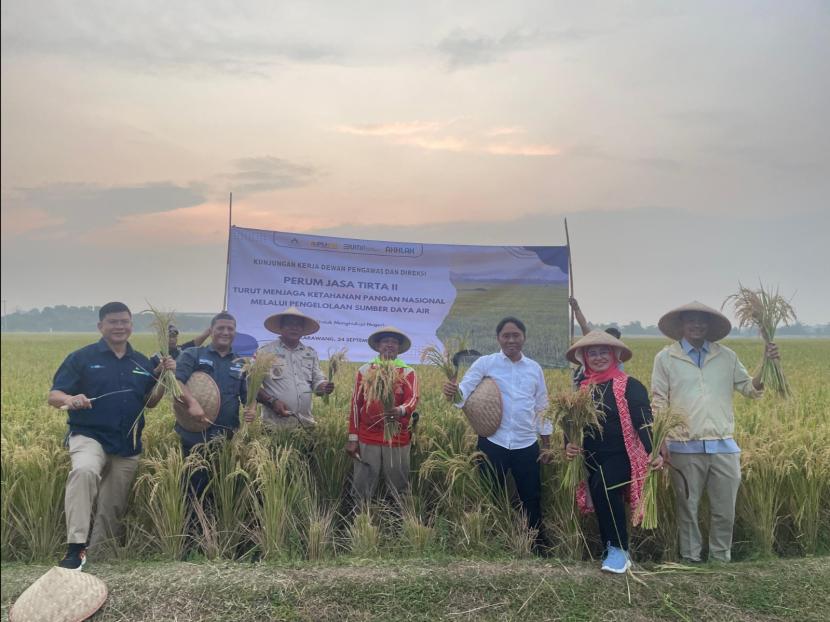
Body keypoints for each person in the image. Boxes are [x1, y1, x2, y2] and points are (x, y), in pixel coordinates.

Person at [48, 301, 175, 570]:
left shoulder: (140, 362)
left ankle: (99, 557)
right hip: (89, 435)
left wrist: (164, 378)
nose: (119, 327)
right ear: (100, 326)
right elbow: (54, 395)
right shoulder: (81, 358)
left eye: (124, 322)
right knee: (84, 471)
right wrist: (71, 398)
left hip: (127, 443)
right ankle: (75, 548)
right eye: (113, 322)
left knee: (111, 504)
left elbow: (149, 402)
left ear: (131, 325)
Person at [651, 301, 780, 563]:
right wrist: (660, 441)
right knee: (687, 508)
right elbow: (658, 402)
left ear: (709, 326)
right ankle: (691, 558)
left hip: (723, 445)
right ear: (682, 325)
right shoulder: (665, 357)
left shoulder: (726, 356)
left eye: (702, 321)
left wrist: (766, 362)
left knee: (724, 510)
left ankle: (721, 559)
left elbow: (749, 389)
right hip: (683, 446)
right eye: (691, 320)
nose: (697, 325)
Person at [442, 317, 553, 554]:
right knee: (491, 494)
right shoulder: (486, 363)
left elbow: (542, 406)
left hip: (526, 444)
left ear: (524, 337)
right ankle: (493, 543)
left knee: (531, 497)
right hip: (493, 443)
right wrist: (453, 392)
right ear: (498, 339)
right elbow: (464, 392)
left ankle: (536, 545)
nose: (511, 339)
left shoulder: (534, 368)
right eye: (506, 335)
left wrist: (546, 445)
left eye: (516, 335)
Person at [563, 330, 663, 573]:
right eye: (592, 354)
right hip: (591, 455)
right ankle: (610, 546)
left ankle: (620, 549)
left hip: (622, 454)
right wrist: (569, 443)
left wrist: (654, 451)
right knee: (599, 496)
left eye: (603, 353)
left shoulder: (630, 386)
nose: (598, 358)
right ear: (585, 359)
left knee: (604, 488)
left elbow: (644, 421)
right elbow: (569, 423)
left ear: (615, 355)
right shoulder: (582, 390)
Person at [174, 311, 256, 501]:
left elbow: (248, 396)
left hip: (227, 435)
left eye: (230, 328)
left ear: (235, 332)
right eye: (220, 328)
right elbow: (176, 382)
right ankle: (193, 528)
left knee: (221, 487)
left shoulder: (242, 363)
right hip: (195, 435)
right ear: (211, 330)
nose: (225, 332)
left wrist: (251, 409)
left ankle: (215, 527)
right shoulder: (192, 355)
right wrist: (192, 402)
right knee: (194, 487)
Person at [345, 326, 419, 504]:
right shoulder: (365, 370)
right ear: (378, 345)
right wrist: (353, 437)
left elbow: (413, 399)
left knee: (398, 482)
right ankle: (361, 518)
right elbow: (356, 404)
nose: (390, 345)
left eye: (394, 342)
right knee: (363, 482)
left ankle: (399, 519)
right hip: (368, 436)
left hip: (396, 436)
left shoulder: (408, 372)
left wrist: (399, 410)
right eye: (386, 341)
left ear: (399, 348)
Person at [255, 307, 334, 429]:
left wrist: (323, 386)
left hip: (305, 425)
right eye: (289, 324)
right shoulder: (265, 352)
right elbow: (250, 384)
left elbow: (317, 381)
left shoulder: (310, 353)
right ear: (281, 328)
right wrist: (271, 401)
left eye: (298, 325)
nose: (294, 327)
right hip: (275, 426)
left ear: (303, 330)